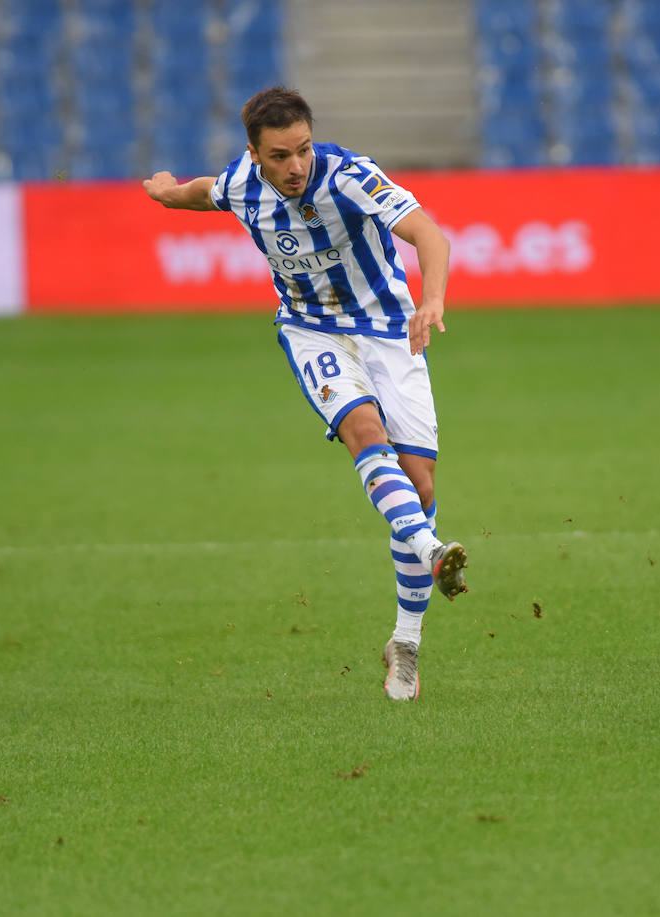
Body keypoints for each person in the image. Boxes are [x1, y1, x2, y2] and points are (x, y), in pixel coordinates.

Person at [142, 86, 467, 702]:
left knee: (420, 486)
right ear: (255, 155)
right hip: (312, 330)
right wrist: (163, 189)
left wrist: (432, 299)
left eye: (303, 149)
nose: (295, 166)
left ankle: (405, 642)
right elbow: (198, 194)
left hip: (390, 330)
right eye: (279, 155)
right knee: (364, 431)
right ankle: (430, 547)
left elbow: (431, 236)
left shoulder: (350, 177)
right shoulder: (243, 184)